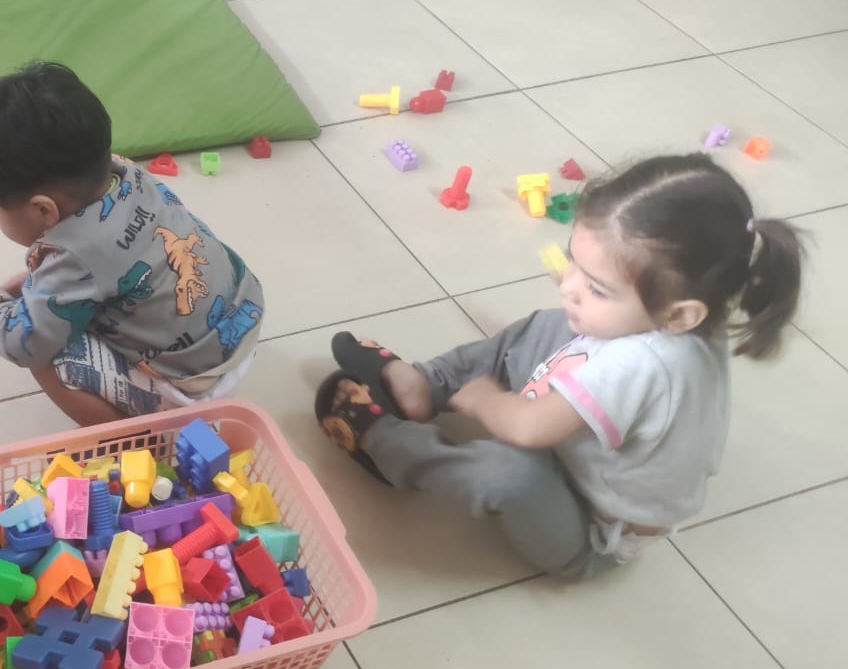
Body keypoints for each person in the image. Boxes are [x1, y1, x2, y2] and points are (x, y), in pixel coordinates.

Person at [315, 153, 803, 579]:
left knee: (509, 471)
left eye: (596, 287)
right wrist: (594, 292)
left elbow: (526, 429)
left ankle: (386, 441)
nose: (568, 285)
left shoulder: (644, 363)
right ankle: (428, 383)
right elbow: (604, 320)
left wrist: (485, 399)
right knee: (549, 326)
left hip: (585, 530)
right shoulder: (690, 310)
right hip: (586, 452)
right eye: (574, 264)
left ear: (677, 316)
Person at [0, 61, 265, 426]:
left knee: (45, 355)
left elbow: (26, 343)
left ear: (43, 210)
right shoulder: (125, 173)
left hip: (197, 382)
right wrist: (42, 281)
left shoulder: (74, 256)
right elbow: (117, 257)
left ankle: (129, 435)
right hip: (242, 320)